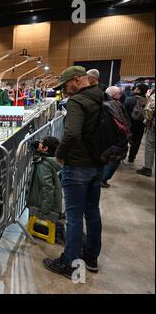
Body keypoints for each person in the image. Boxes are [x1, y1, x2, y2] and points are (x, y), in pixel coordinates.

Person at [43, 66, 105, 279]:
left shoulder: (77, 102)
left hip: (78, 165)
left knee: (74, 216)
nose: (65, 91)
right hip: (97, 165)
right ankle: (91, 257)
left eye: (67, 85)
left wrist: (59, 155)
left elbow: (71, 133)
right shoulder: (101, 96)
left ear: (78, 80)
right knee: (93, 211)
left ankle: (69, 262)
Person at [27, 137, 64, 243]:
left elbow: (47, 188)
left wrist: (44, 211)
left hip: (42, 203)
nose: (39, 143)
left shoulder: (43, 165)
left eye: (41, 143)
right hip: (47, 200)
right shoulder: (51, 160)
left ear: (45, 148)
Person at [101, 86, 132, 188]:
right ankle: (103, 179)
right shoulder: (117, 105)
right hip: (117, 139)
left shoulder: (101, 103)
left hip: (105, 139)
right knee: (114, 161)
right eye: (119, 93)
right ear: (115, 95)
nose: (121, 95)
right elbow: (124, 122)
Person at [124, 84, 149, 164]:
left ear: (139, 90)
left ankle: (122, 155)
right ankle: (131, 158)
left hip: (128, 124)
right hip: (141, 125)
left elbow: (123, 112)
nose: (134, 89)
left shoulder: (129, 99)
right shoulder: (147, 101)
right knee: (137, 142)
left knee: (124, 140)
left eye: (136, 88)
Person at [136, 93, 155, 177]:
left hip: (153, 127)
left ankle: (147, 168)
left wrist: (147, 122)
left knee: (150, 146)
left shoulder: (154, 97)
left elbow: (149, 111)